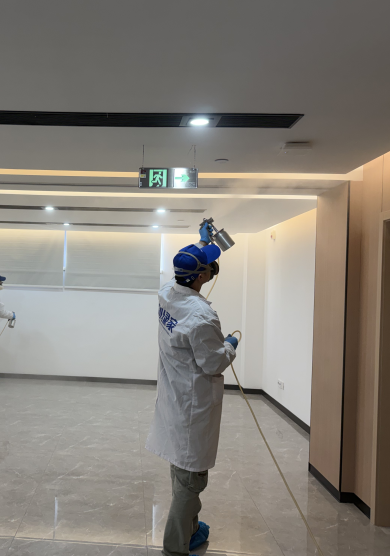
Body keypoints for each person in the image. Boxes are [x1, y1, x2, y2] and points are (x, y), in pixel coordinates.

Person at [145, 223, 239, 556]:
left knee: (181, 469)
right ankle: (175, 547)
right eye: (209, 266)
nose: (213, 269)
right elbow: (214, 363)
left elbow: (183, 269)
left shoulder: (167, 293)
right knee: (190, 481)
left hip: (175, 398)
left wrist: (202, 242)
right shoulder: (201, 316)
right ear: (201, 276)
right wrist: (230, 345)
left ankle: (192, 529)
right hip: (191, 407)